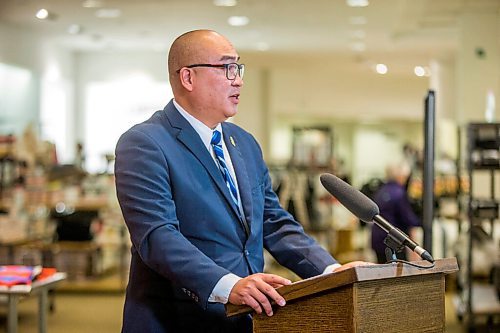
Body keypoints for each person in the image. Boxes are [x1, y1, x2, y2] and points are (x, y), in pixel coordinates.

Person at [115, 29, 370, 333]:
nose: (238, 79)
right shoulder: (144, 143)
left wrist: (332, 271)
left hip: (246, 319)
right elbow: (157, 236)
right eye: (226, 68)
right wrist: (228, 285)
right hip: (176, 320)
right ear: (188, 77)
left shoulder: (244, 143)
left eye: (238, 67)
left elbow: (274, 222)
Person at [370, 161, 421, 264]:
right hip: (394, 243)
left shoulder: (380, 191)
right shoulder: (399, 193)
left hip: (378, 241)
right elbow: (408, 220)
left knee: (382, 272)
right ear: (401, 176)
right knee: (398, 275)